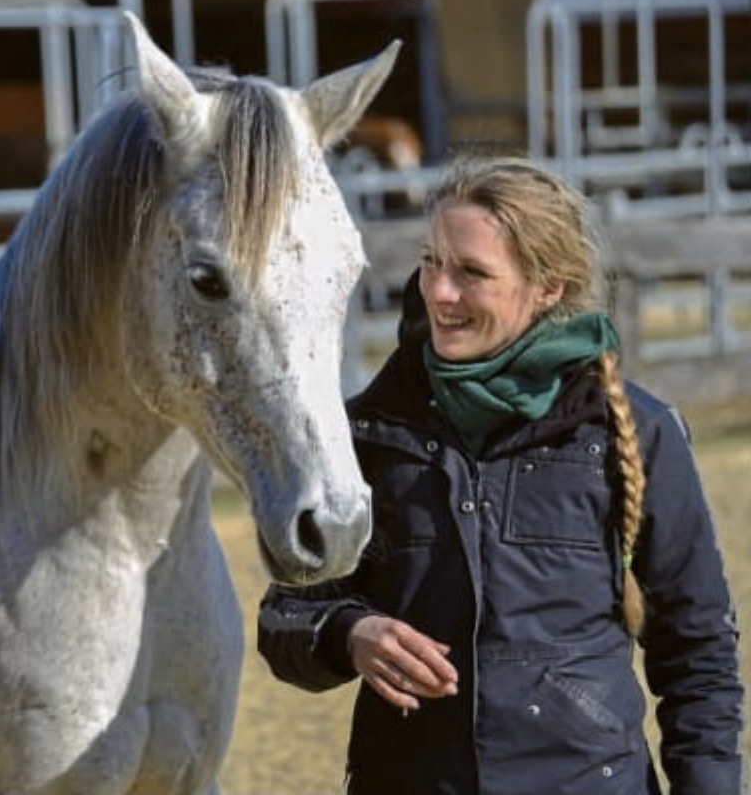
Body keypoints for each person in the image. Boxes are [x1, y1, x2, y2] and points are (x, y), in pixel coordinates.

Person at [257, 155, 744, 795]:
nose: (439, 291)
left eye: (472, 272)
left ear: (548, 287)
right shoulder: (367, 433)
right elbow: (285, 615)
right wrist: (349, 633)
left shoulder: (636, 434)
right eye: (431, 261)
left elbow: (699, 653)